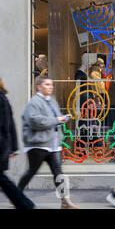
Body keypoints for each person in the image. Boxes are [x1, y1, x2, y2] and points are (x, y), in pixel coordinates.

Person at [18, 76, 79, 209]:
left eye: (51, 85)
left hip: (53, 145)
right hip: (38, 145)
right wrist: (57, 119)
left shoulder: (52, 101)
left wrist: (61, 122)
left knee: (58, 173)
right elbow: (35, 121)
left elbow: (55, 120)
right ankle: (16, 196)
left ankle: (65, 201)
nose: (50, 87)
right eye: (47, 84)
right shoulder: (34, 102)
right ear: (39, 87)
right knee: (31, 171)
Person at [0, 78, 35, 209]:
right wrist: (13, 147)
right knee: (3, 180)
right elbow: (11, 125)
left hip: (1, 147)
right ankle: (25, 204)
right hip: (4, 146)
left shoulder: (1, 99)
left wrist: (12, 148)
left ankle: (25, 204)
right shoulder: (3, 98)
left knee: (4, 181)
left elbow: (6, 126)